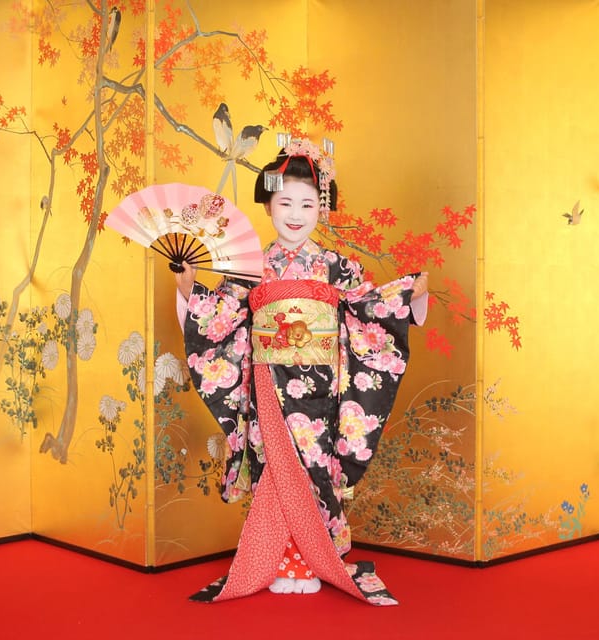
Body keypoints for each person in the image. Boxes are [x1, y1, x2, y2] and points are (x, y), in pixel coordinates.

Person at [175, 139, 428, 606]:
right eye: (285, 202)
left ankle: (312, 560)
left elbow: (368, 308)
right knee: (275, 466)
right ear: (268, 204)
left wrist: (408, 296)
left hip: (321, 390)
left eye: (308, 204)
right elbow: (217, 319)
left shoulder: (337, 266)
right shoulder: (249, 266)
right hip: (268, 385)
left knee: (315, 467)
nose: (296, 213)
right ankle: (275, 561)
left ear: (321, 209)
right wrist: (188, 287)